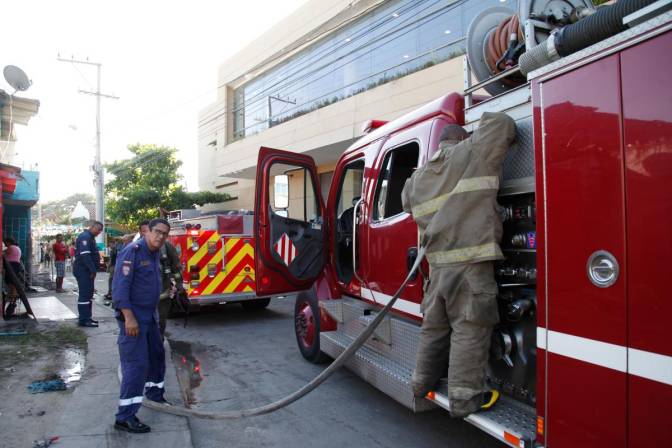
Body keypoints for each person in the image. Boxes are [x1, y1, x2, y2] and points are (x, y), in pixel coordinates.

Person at [401, 112, 516, 418]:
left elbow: (404, 202)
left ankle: (419, 383)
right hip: (471, 267)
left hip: (437, 271)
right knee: (469, 329)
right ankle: (464, 402)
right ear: (461, 139)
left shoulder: (418, 178)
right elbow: (503, 124)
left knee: (434, 328)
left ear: (438, 145)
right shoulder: (471, 152)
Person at [112, 218, 171, 433]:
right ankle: (125, 417)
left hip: (150, 316)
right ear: (146, 232)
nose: (160, 236)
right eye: (157, 232)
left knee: (157, 356)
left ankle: (155, 395)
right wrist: (129, 317)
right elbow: (120, 289)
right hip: (134, 318)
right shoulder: (133, 251)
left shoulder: (155, 253)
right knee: (136, 365)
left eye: (165, 233)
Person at [73, 221, 104, 327]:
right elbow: (85, 255)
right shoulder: (85, 237)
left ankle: (88, 317)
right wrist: (93, 270)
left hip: (87, 271)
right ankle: (83, 319)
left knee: (89, 294)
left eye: (101, 230)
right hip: (83, 270)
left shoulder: (90, 237)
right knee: (85, 294)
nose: (99, 232)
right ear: (92, 227)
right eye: (98, 229)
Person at [158, 239, 184, 338]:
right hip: (143, 298)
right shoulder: (136, 248)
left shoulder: (166, 247)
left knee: (160, 321)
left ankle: (158, 344)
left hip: (162, 296)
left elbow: (176, 267)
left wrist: (179, 284)